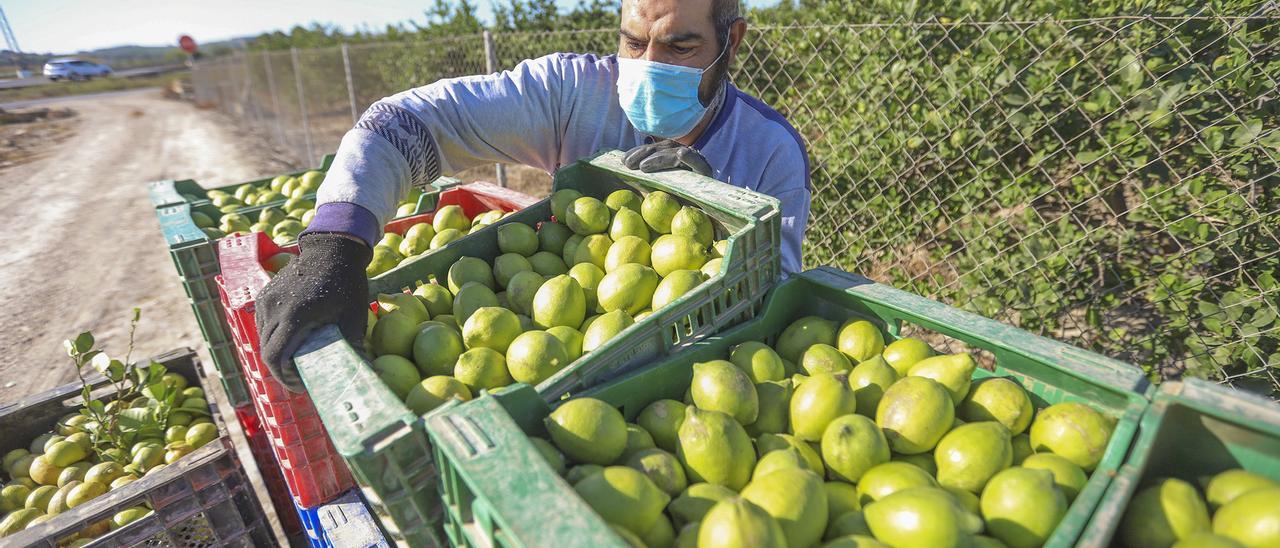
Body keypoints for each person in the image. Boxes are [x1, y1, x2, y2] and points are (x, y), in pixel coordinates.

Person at [257, 0, 811, 391]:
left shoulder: (769, 152)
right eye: (634, 42)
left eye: (680, 46)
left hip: (679, 374)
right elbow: (399, 121)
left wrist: (713, 210)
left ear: (731, 41)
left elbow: (774, 300)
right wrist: (335, 244)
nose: (648, 68)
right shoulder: (574, 95)